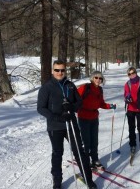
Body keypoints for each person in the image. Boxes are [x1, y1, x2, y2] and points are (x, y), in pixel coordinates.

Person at [37, 60, 97, 189]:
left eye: (62, 70)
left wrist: (72, 107)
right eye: (57, 70)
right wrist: (57, 117)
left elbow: (79, 102)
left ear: (65, 71)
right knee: (57, 153)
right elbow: (41, 108)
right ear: (53, 71)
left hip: (71, 124)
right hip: (55, 126)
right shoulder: (47, 87)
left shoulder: (70, 85)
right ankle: (57, 182)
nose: (60, 73)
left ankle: (88, 179)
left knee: (80, 152)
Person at [77, 71, 116, 170]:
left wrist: (109, 106)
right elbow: (75, 98)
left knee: (94, 140)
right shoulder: (85, 87)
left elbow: (101, 104)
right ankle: (85, 161)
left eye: (100, 78)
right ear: (92, 78)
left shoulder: (100, 90)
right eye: (96, 77)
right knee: (86, 141)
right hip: (83, 117)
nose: (98, 80)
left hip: (94, 118)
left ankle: (95, 160)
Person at [123, 67, 140, 156]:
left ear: (136, 72)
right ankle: (133, 144)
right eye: (129, 74)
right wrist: (127, 98)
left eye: (133, 73)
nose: (131, 75)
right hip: (131, 108)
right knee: (131, 128)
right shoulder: (127, 84)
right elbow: (126, 94)